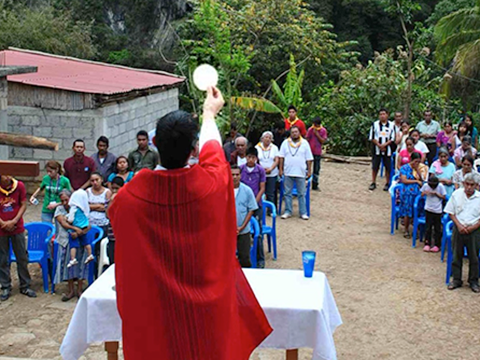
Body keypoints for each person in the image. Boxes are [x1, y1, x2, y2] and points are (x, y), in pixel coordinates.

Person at [109, 86, 272, 359]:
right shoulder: (211, 186)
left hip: (156, 319)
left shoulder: (129, 198)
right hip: (204, 320)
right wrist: (209, 114)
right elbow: (213, 150)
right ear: (192, 149)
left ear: (155, 144)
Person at [0, 175, 36, 301]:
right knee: (2, 258)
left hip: (17, 227)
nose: (6, 178)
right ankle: (5, 285)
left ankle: (25, 285)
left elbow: (23, 204)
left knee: (22, 256)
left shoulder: (19, 186)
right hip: (1, 228)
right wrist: (3, 223)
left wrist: (14, 221)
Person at [444, 173, 480, 293]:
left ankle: (473, 281)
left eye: (472, 185)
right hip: (458, 228)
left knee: (474, 257)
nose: (469, 187)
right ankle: (456, 279)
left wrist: (472, 227)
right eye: (467, 184)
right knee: (456, 255)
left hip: (474, 230)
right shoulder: (456, 194)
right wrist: (459, 225)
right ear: (463, 184)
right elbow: (450, 212)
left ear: (476, 185)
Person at [53, 189, 91, 301]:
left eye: (66, 200)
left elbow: (88, 224)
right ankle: (70, 290)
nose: (65, 203)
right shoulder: (59, 209)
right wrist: (75, 229)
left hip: (80, 240)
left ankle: (79, 289)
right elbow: (63, 223)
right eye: (62, 200)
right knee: (68, 266)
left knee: (81, 265)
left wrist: (81, 232)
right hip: (65, 241)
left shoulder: (81, 208)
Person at [279, 125, 313, 220]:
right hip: (288, 172)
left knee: (301, 193)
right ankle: (288, 211)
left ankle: (303, 212)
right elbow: (281, 157)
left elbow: (309, 159)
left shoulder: (305, 143)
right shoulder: (285, 143)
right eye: (293, 132)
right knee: (287, 193)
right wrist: (281, 169)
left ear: (299, 133)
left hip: (301, 172)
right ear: (290, 133)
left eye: (296, 132)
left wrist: (309, 170)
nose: (295, 134)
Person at [240, 147, 266, 268]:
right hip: (242, 206)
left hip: (257, 205)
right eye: (249, 157)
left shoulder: (260, 170)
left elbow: (262, 188)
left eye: (253, 157)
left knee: (258, 232)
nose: (250, 159)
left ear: (256, 158)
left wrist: (254, 203)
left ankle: (260, 259)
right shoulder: (241, 170)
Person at [232, 165, 257, 268]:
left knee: (244, 258)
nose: (234, 177)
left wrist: (241, 227)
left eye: (237, 174)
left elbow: (251, 210)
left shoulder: (247, 190)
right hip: (227, 231)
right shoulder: (223, 190)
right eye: (232, 175)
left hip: (243, 231)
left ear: (241, 176)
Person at [399, 152, 425, 239]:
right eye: (415, 161)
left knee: (417, 210)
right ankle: (406, 229)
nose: (416, 163)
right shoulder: (405, 168)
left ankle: (416, 228)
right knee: (407, 211)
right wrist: (416, 181)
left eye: (418, 162)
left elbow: (422, 179)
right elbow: (404, 180)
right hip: (407, 192)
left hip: (416, 192)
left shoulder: (419, 168)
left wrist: (418, 171)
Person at [369, 108, 395, 191]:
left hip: (388, 149)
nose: (382, 116)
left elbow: (392, 137)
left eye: (384, 114)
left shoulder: (391, 125)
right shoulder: (375, 124)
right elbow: (372, 137)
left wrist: (385, 145)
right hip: (376, 148)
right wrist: (379, 145)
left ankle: (387, 183)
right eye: (381, 114)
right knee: (375, 166)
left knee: (388, 167)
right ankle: (373, 182)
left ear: (387, 115)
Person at [66, 189, 93, 268]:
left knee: (73, 244)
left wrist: (68, 219)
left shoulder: (74, 209)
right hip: (84, 227)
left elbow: (71, 219)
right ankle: (90, 254)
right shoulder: (84, 209)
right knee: (86, 242)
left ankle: (73, 258)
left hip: (76, 227)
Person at [420, 175, 446, 253]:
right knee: (428, 227)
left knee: (437, 228)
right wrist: (425, 193)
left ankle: (437, 244)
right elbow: (421, 194)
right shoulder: (425, 186)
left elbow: (444, 197)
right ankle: (427, 243)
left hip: (437, 210)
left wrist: (436, 194)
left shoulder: (441, 186)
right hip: (428, 209)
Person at [255, 131, 279, 207]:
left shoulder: (274, 148)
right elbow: (255, 160)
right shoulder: (257, 147)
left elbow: (277, 160)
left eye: (269, 138)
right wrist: (262, 169)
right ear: (262, 139)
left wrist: (270, 168)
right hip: (260, 173)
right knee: (259, 191)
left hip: (272, 174)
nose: (267, 139)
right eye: (266, 137)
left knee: (271, 193)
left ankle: (270, 210)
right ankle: (259, 208)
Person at [106, 176, 124, 265]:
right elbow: (108, 215)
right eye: (113, 188)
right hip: (112, 237)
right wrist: (112, 201)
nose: (114, 191)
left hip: (122, 238)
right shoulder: (110, 200)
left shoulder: (126, 200)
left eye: (117, 188)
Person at [306, 117, 327, 191]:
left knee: (316, 169)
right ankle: (305, 183)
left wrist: (317, 134)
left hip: (317, 152)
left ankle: (315, 184)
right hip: (309, 151)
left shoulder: (323, 130)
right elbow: (307, 139)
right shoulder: (310, 129)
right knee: (306, 168)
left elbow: (323, 141)